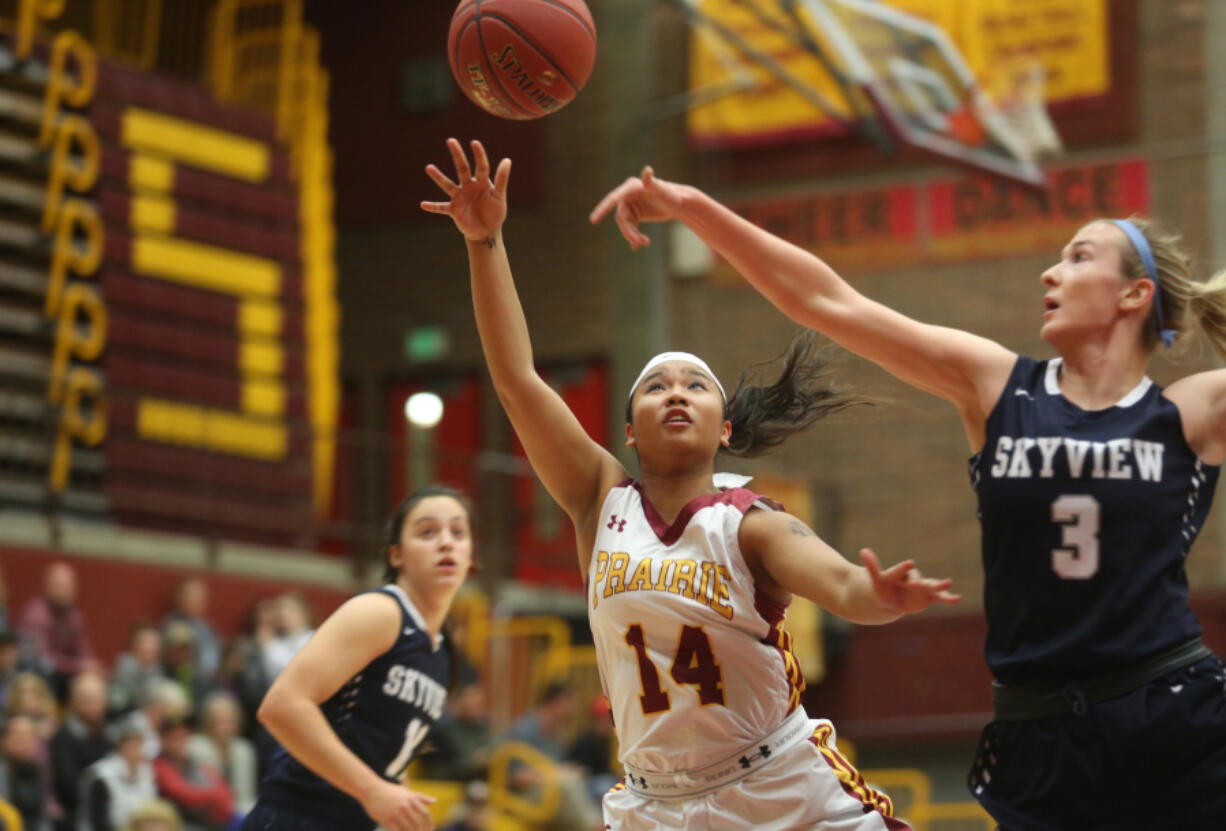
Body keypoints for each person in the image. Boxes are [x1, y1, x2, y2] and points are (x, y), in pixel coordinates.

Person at [590, 169, 1226, 829]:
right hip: (1040, 732)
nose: (1050, 273)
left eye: (1079, 256)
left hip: (1170, 705)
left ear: (1135, 293)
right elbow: (826, 300)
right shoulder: (999, 387)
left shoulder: (1189, 410)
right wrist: (692, 206)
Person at [423, 137, 959, 831]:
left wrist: (883, 596)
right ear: (628, 430)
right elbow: (517, 381)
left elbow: (846, 587)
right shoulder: (599, 498)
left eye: (695, 385)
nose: (676, 394)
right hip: (653, 804)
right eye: (655, 386)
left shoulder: (750, 522)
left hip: (778, 787)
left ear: (725, 428)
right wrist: (485, 241)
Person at [242, 486, 476, 831]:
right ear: (396, 555)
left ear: (471, 554)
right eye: (427, 532)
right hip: (297, 817)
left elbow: (380, 758)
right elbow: (282, 705)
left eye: (458, 532)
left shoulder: (441, 652)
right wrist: (373, 791)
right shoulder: (381, 612)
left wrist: (401, 806)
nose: (446, 542)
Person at [17, 562, 97, 701]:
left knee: (92, 684)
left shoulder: (73, 615)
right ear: (47, 586)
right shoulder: (35, 615)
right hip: (38, 676)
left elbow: (83, 650)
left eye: (67, 587)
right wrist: (78, 667)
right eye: (58, 586)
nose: (63, 591)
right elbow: (43, 659)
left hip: (65, 676)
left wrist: (89, 665)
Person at [51, 671, 112, 831]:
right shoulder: (63, 738)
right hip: (78, 818)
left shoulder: (109, 733)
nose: (92, 705)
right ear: (73, 702)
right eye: (86, 700)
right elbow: (70, 789)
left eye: (97, 699)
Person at [151, 716, 233, 831]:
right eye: (174, 738)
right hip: (180, 822)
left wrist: (222, 801)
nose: (180, 743)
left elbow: (221, 785)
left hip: (209, 820)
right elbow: (183, 794)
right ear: (163, 740)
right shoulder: (160, 764)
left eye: (183, 736)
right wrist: (215, 796)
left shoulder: (196, 761)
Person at [78, 718, 157, 831]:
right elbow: (98, 821)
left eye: (139, 744)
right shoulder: (101, 774)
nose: (137, 750)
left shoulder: (147, 772)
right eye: (131, 744)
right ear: (120, 746)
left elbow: (152, 809)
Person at [188, 693, 257, 815]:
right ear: (207, 722)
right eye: (218, 721)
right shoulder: (195, 747)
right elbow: (205, 790)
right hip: (207, 813)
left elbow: (246, 794)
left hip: (239, 812)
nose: (224, 727)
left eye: (229, 721)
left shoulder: (244, 750)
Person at [163, 579, 221, 681]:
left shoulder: (208, 628)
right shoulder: (169, 625)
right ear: (180, 598)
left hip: (209, 681)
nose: (197, 602)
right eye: (191, 597)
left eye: (201, 599)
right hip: (178, 679)